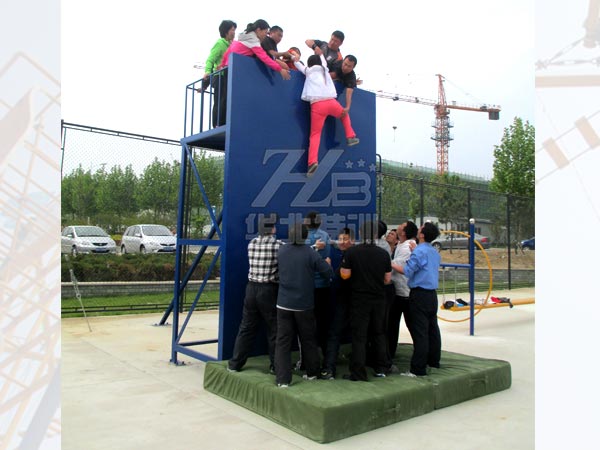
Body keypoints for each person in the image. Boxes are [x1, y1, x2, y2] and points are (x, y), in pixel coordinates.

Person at [274, 221, 333, 387]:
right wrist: (328, 264)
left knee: (283, 342)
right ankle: (312, 372)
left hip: (283, 303)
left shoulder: (282, 250)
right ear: (306, 236)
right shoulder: (310, 253)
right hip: (304, 305)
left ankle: (283, 379)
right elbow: (327, 272)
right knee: (308, 339)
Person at [228, 215, 282, 373]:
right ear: (272, 229)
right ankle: (276, 366)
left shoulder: (252, 243)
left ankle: (235, 363)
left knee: (246, 327)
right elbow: (295, 251)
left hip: (251, 289)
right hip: (268, 290)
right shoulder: (277, 245)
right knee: (274, 329)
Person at [293, 49, 359, 176]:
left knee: (315, 135)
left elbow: (298, 64)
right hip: (331, 101)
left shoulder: (308, 71)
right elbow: (322, 58)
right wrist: (319, 52)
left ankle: (312, 162)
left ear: (309, 65)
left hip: (317, 105)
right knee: (344, 115)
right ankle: (350, 136)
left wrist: (294, 58)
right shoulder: (324, 68)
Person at [340, 221, 392, 381]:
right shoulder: (383, 254)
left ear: (361, 234)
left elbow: (345, 275)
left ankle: (358, 372)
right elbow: (387, 280)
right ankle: (381, 368)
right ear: (376, 235)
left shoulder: (352, 252)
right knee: (379, 333)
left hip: (359, 299)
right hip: (379, 299)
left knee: (359, 336)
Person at [217, 19, 291, 127]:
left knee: (226, 97)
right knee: (232, 98)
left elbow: (228, 51)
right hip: (235, 71)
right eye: (265, 32)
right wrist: (279, 69)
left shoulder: (243, 37)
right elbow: (264, 57)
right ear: (258, 30)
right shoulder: (253, 41)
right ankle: (225, 122)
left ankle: (220, 123)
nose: (265, 35)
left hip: (229, 69)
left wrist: (222, 64)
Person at [395, 222, 442, 377]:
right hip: (432, 295)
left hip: (419, 294)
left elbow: (407, 271)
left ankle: (418, 369)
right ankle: (433, 361)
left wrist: (389, 263)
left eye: (420, 228)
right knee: (432, 329)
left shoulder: (418, 252)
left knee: (420, 332)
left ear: (421, 235)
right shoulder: (433, 251)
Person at [320, 227, 355, 379]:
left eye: (345, 239)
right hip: (357, 300)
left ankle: (329, 368)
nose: (341, 242)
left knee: (334, 333)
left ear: (352, 240)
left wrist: (328, 267)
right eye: (340, 239)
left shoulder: (348, 258)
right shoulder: (352, 253)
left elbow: (338, 279)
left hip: (346, 301)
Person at [388, 221, 418, 360]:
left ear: (404, 232)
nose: (398, 226)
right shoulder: (400, 244)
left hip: (406, 293)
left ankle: (421, 354)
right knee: (392, 325)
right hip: (398, 291)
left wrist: (383, 260)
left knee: (412, 325)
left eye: (401, 226)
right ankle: (390, 353)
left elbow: (400, 267)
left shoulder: (408, 247)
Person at [304, 211, 332, 359]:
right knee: (323, 322)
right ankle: (326, 355)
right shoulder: (325, 236)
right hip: (323, 285)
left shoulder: (303, 238)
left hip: (308, 286)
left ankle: (310, 357)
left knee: (307, 323)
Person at [201, 20, 237, 128]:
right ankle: (217, 124)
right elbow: (210, 59)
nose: (234, 32)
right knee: (220, 100)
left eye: (234, 30)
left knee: (227, 101)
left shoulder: (232, 45)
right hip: (219, 76)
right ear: (226, 31)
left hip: (228, 76)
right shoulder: (220, 43)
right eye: (232, 30)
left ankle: (225, 122)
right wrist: (207, 72)